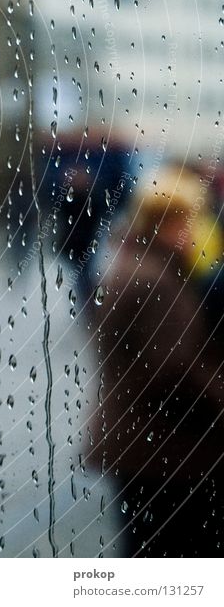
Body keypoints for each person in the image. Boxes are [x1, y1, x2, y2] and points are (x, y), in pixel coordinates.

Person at [87, 163, 224, 556]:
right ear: (160, 223)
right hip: (158, 448)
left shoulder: (146, 265)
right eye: (184, 221)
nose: (192, 231)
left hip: (145, 443)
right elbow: (174, 372)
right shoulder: (152, 279)